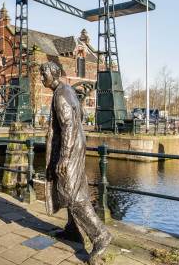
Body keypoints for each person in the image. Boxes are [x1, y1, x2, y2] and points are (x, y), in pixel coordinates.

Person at [39, 62, 111, 265]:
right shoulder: (66, 89)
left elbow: (69, 125)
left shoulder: (60, 95)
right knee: (73, 187)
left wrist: (64, 156)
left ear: (54, 74)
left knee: (72, 193)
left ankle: (100, 235)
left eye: (44, 74)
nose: (41, 77)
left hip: (69, 148)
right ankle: (73, 229)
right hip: (76, 145)